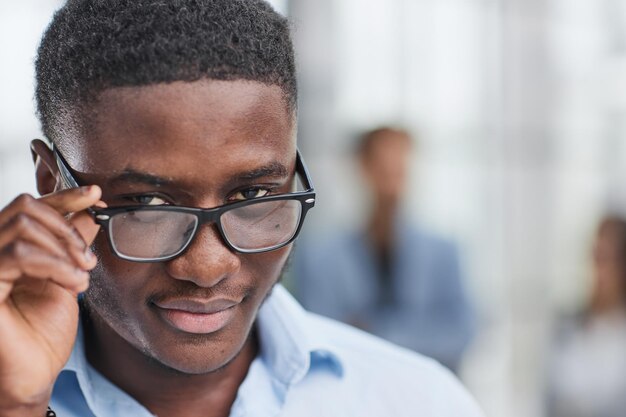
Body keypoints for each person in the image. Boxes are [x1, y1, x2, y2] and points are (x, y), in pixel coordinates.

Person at [0, 1, 485, 416]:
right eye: (148, 204)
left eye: (253, 197)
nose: (207, 267)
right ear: (51, 182)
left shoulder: (417, 401)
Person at [294, 127, 475, 372]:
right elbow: (320, 337)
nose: (391, 185)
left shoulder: (444, 252)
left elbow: (461, 334)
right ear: (362, 169)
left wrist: (376, 330)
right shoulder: (320, 257)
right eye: (383, 170)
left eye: (399, 170)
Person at [546, 216, 626, 417]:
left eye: (607, 260)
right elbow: (548, 401)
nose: (599, 271)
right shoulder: (567, 327)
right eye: (595, 257)